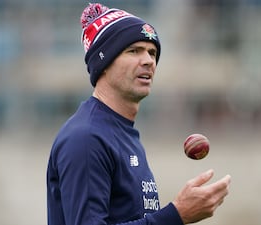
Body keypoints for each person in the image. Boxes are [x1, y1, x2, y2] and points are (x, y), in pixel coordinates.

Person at [46, 3, 231, 225]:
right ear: (103, 62)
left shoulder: (123, 133)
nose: (148, 61)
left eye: (152, 53)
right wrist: (176, 215)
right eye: (133, 51)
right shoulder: (87, 137)